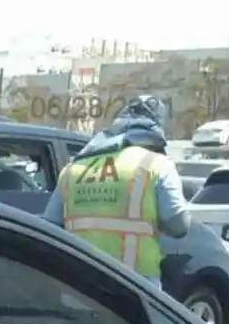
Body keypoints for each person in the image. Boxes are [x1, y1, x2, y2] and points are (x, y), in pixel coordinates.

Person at [42, 95, 190, 284]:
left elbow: (51, 227)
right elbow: (179, 225)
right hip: (134, 287)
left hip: (78, 284)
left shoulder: (73, 168)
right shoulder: (156, 164)